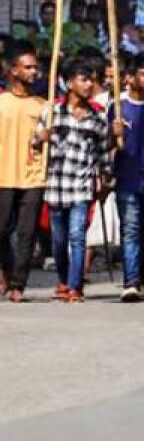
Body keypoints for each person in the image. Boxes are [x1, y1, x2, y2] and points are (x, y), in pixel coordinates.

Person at [32, 61, 112, 303]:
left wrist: (106, 178)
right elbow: (34, 145)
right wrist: (41, 138)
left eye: (91, 80)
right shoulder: (51, 112)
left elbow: (102, 151)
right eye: (83, 79)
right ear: (69, 83)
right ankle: (64, 279)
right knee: (59, 240)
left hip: (81, 185)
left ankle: (76, 285)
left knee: (77, 235)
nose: (88, 85)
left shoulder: (97, 116)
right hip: (56, 186)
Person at [109, 52, 144, 302]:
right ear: (129, 78)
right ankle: (129, 281)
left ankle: (142, 277)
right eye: (143, 73)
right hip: (127, 178)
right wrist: (113, 134)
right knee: (130, 230)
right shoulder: (117, 107)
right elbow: (106, 145)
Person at [0, 42, 47, 302]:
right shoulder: (1, 103)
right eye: (27, 67)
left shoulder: (43, 105)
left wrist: (46, 137)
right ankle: (7, 270)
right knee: (2, 231)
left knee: (28, 233)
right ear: (13, 70)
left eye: (35, 67)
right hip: (3, 174)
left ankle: (18, 283)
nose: (33, 72)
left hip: (33, 175)